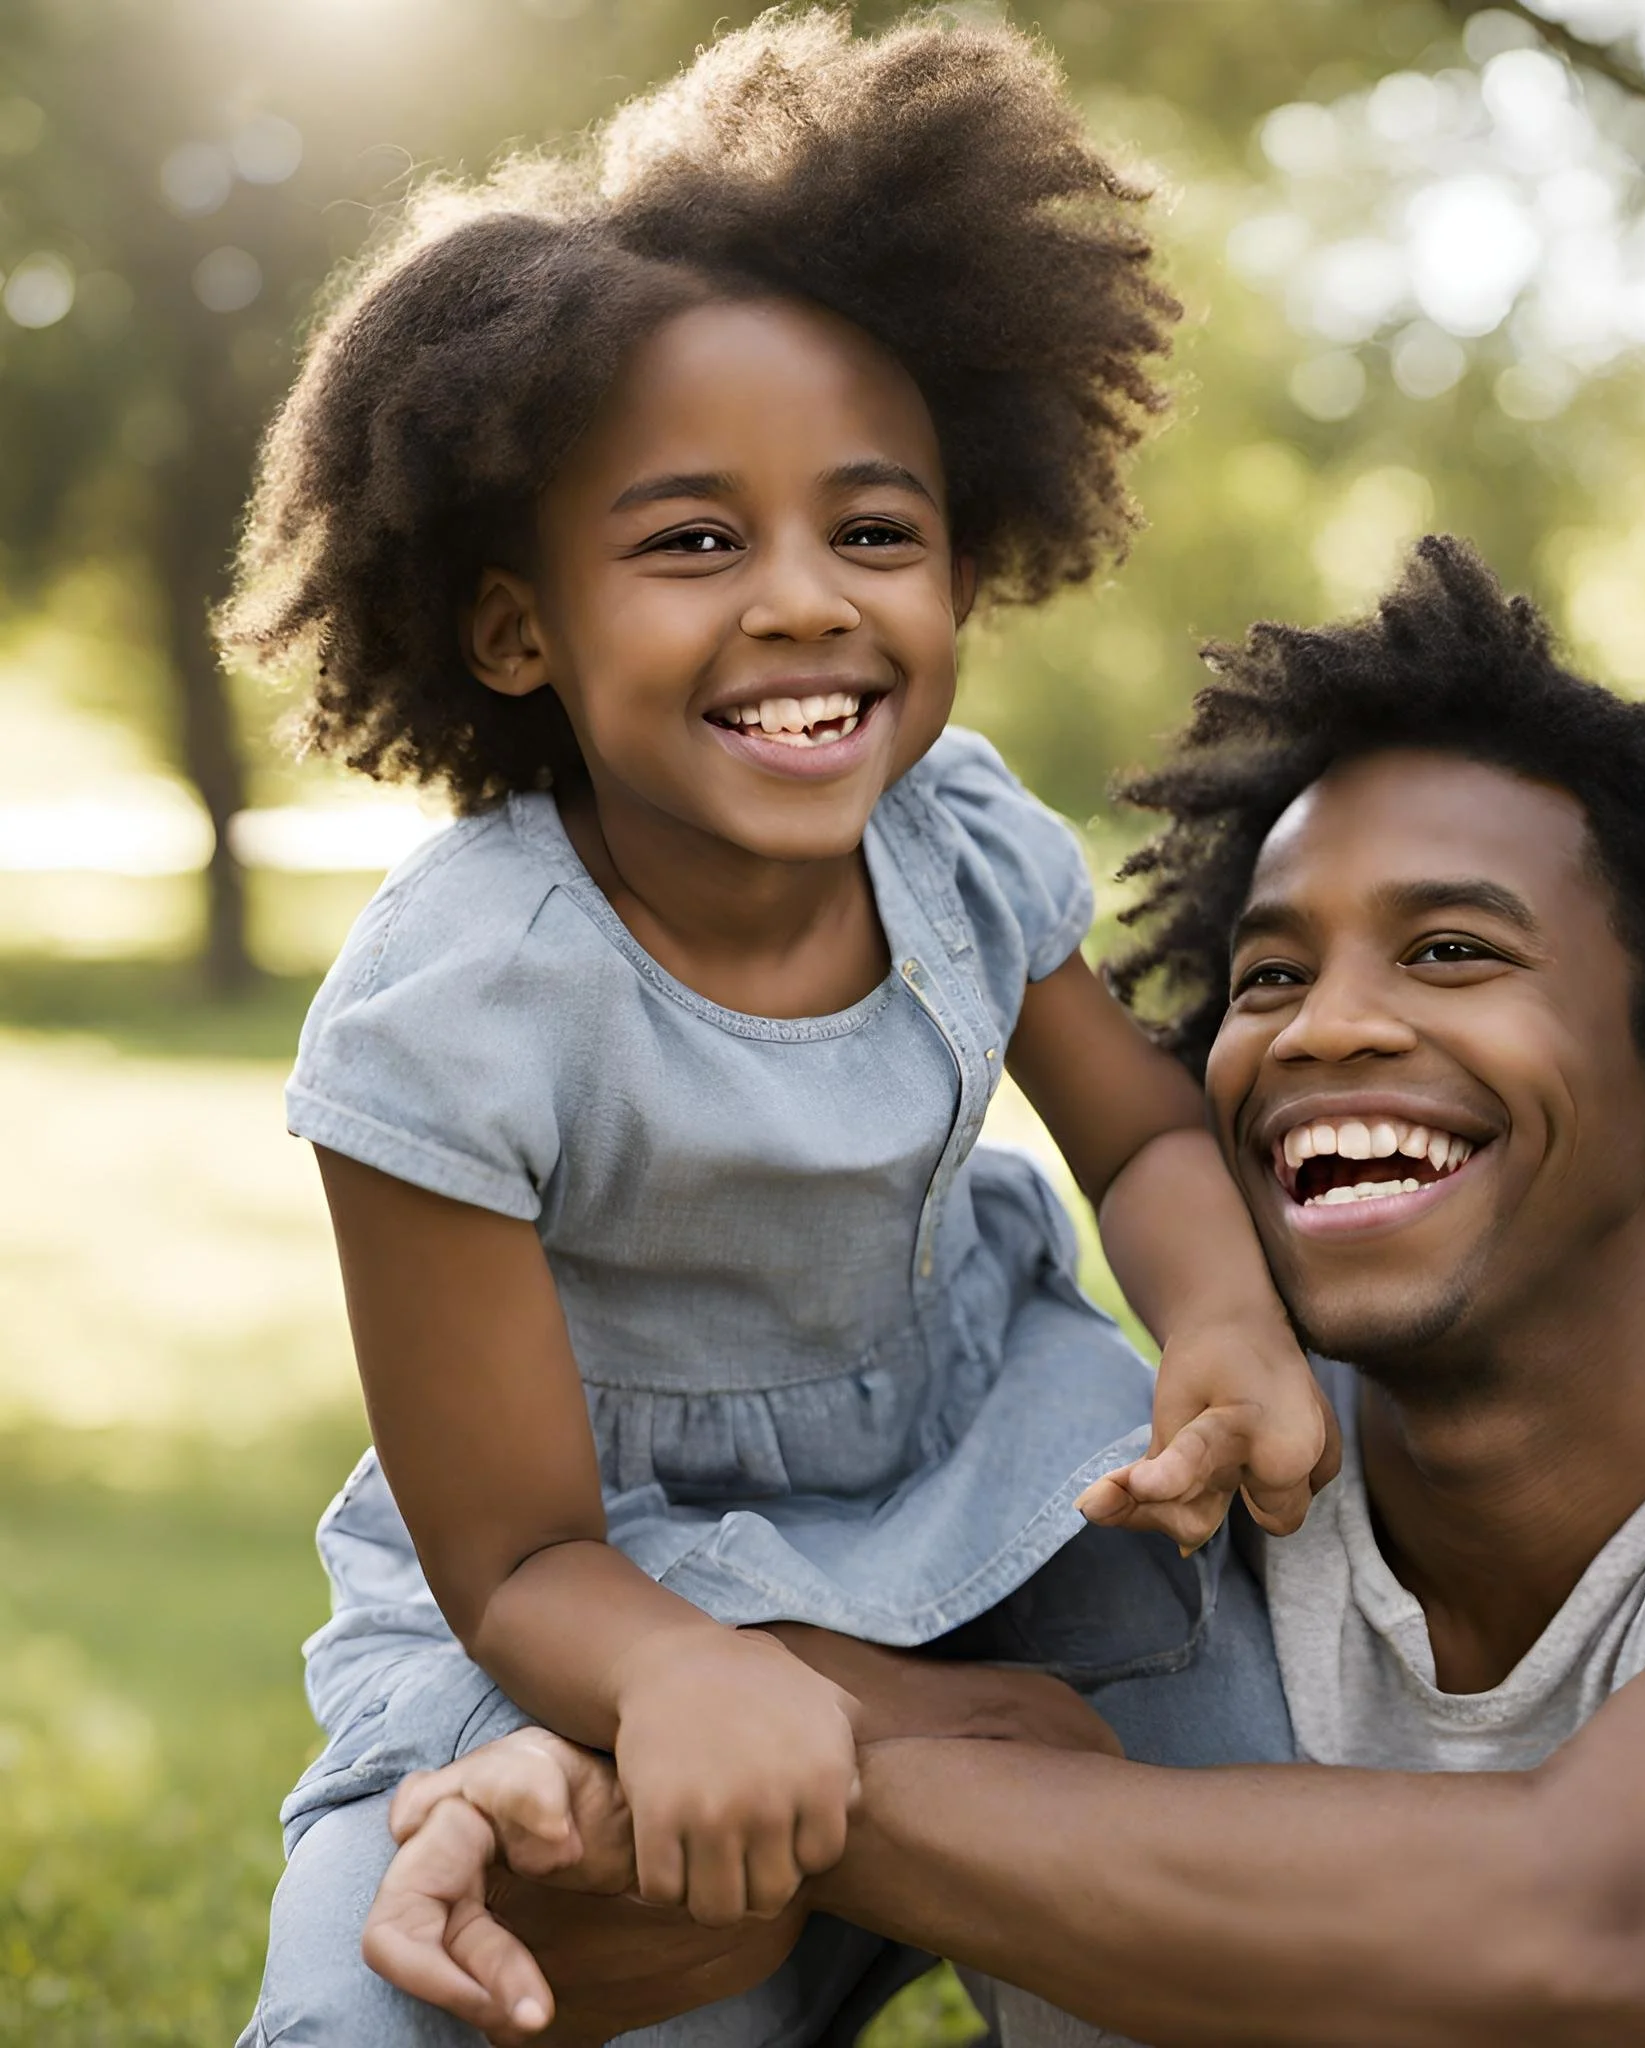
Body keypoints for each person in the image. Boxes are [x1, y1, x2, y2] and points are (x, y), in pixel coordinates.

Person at [377, 539, 1645, 2047]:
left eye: (1453, 950)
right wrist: (580, 1784)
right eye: (1266, 973)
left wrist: (793, 1776)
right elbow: (614, 1898)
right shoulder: (1132, 1502)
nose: (1320, 1029)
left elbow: (1610, 1933)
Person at [222, 16, 1333, 2045]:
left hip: (999, 1494)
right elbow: (510, 1544)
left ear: (967, 564)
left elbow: (1147, 1144)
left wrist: (1225, 1325)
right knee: (376, 2005)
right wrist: (678, 1674)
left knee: (1240, 1913)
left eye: (873, 530)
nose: (805, 600)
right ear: (513, 627)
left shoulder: (959, 840)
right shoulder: (458, 1003)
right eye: (693, 541)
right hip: (600, 1572)